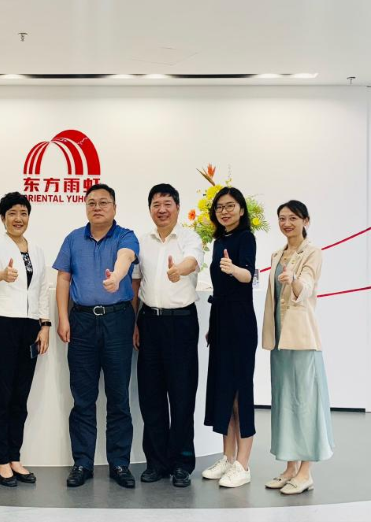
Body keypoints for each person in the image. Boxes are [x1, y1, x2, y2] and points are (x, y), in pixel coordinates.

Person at [53, 183, 140, 489]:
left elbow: (126, 258)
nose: (98, 207)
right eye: (92, 202)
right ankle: (82, 462)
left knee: (118, 397)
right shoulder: (73, 238)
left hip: (118, 320)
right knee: (83, 397)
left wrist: (116, 276)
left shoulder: (125, 236)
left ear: (114, 208)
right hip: (82, 322)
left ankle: (119, 463)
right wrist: (63, 318)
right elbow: (63, 279)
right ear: (85, 207)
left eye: (104, 202)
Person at [131, 183, 204, 488]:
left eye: (167, 204)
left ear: (177, 207)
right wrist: (135, 322)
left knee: (182, 396)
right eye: (156, 204)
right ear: (150, 209)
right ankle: (157, 462)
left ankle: (182, 463)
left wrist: (179, 271)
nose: (161, 210)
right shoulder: (141, 242)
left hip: (181, 323)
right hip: (149, 322)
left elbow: (192, 261)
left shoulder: (189, 237)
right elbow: (136, 284)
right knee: (151, 396)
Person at [262, 200, 334, 496]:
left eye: (293, 218)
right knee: (284, 401)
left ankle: (306, 472)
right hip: (279, 338)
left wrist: (293, 280)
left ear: (306, 220)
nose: (286, 223)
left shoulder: (312, 252)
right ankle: (290, 468)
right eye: (282, 218)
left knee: (305, 403)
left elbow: (307, 286)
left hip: (302, 338)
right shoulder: (277, 254)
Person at [0, 192, 51, 487]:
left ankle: (14, 457)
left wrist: (44, 324)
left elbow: (42, 289)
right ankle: (1, 460)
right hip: (2, 324)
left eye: (23, 213)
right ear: (2, 218)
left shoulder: (37, 250)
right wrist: (1, 274)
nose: (18, 218)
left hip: (29, 327)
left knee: (20, 397)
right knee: (1, 396)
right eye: (12, 213)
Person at [201, 186, 258, 489]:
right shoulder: (219, 241)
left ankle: (243, 464)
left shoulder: (246, 238)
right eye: (220, 207)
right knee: (223, 390)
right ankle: (227, 457)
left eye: (230, 206)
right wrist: (213, 325)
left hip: (241, 323)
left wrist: (234, 268)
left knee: (240, 392)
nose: (224, 211)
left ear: (241, 209)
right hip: (221, 321)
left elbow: (248, 275)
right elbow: (218, 290)